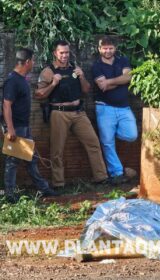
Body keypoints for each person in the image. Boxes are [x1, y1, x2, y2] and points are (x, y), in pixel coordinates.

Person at [35, 40, 108, 187]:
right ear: (55, 53)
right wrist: (53, 84)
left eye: (67, 52)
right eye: (61, 52)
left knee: (93, 143)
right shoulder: (48, 71)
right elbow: (38, 94)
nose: (64, 55)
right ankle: (58, 183)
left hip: (78, 112)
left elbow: (86, 90)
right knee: (57, 150)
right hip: (59, 113)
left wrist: (81, 77)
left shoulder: (75, 68)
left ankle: (101, 177)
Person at [2, 47, 58, 203]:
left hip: (23, 127)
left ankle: (43, 189)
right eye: (33, 60)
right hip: (16, 128)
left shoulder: (21, 79)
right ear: (27, 62)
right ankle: (10, 195)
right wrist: (10, 129)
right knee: (12, 161)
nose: (34, 63)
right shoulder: (13, 81)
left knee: (31, 159)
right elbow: (6, 105)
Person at [92, 36, 138, 183]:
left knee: (132, 135)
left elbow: (129, 78)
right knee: (107, 142)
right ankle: (117, 173)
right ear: (99, 49)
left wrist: (110, 81)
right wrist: (121, 80)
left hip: (124, 107)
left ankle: (111, 134)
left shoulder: (122, 60)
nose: (108, 51)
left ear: (115, 48)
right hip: (104, 108)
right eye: (104, 48)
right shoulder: (96, 66)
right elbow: (102, 86)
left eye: (110, 48)